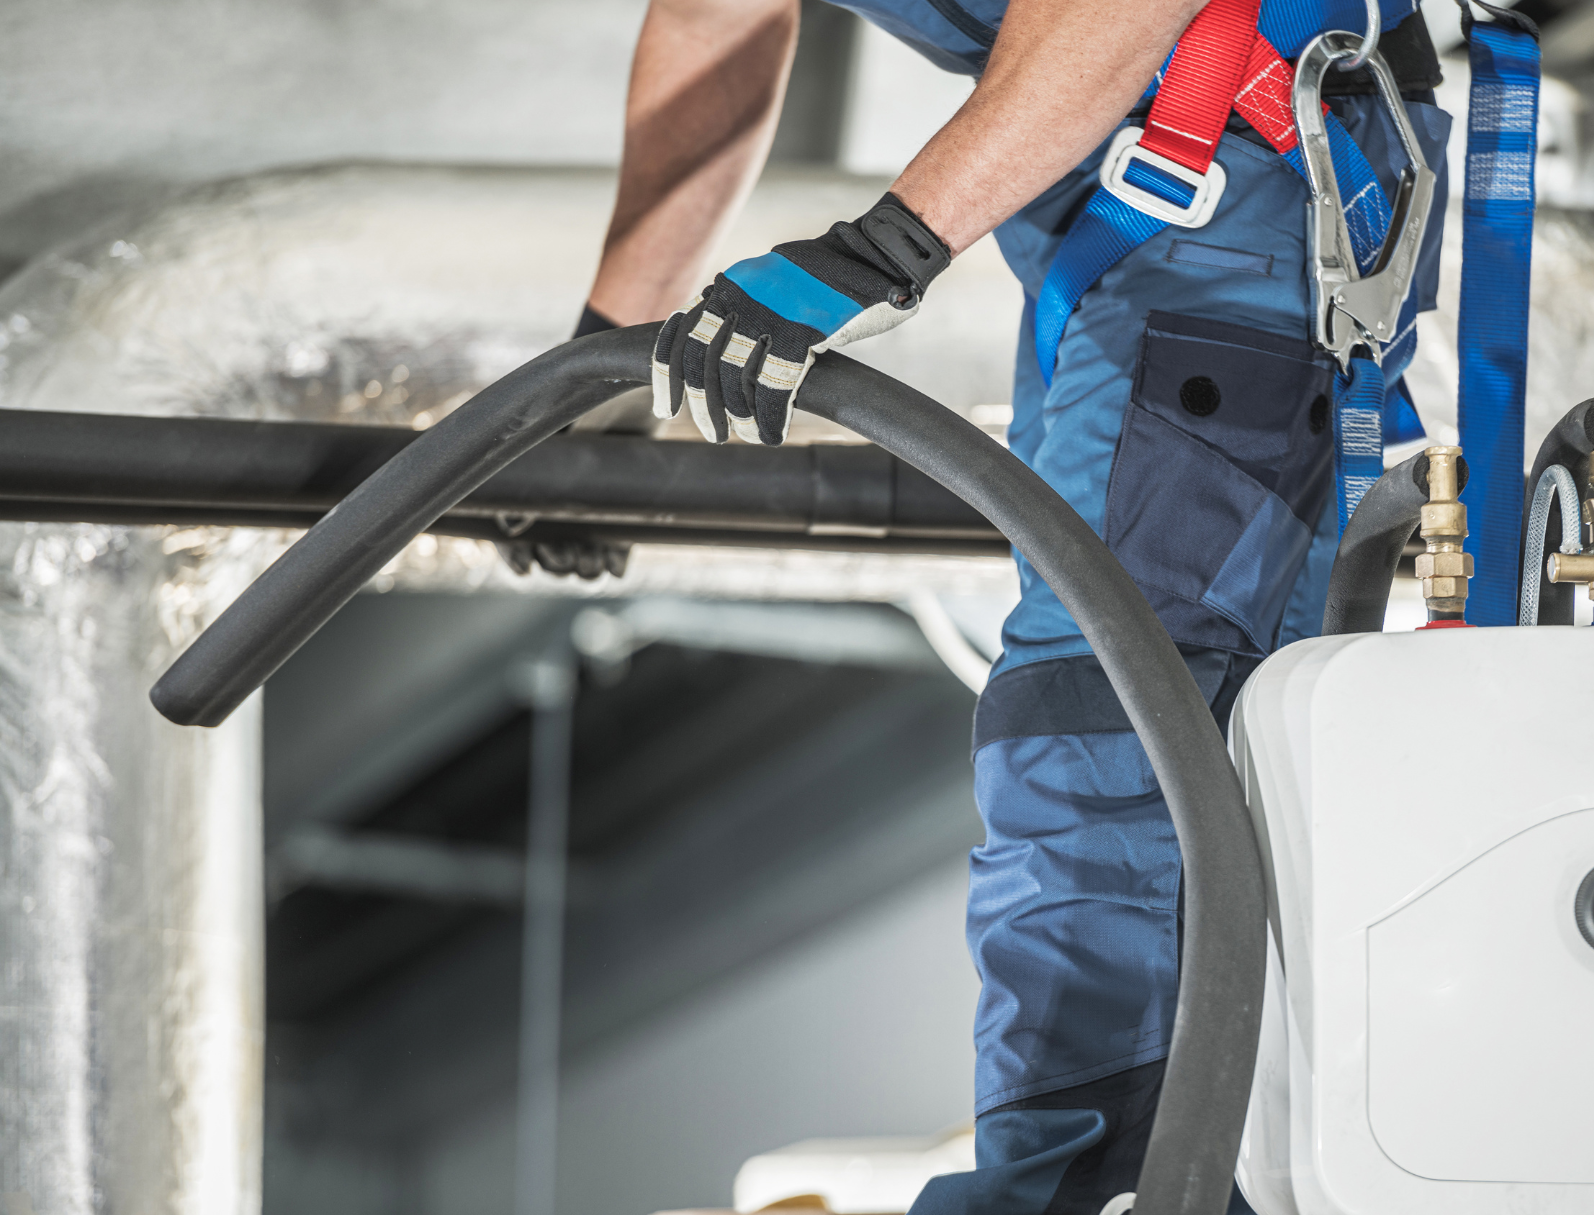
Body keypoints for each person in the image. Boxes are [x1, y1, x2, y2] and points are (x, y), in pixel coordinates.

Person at [580, 0, 1449, 1208]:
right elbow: (717, 16)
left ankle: (1093, 1189)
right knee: (1158, 727)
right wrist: (602, 361)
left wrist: (883, 251)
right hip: (1156, 192)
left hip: (1222, 162)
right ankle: (1170, 1177)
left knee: (1109, 719)